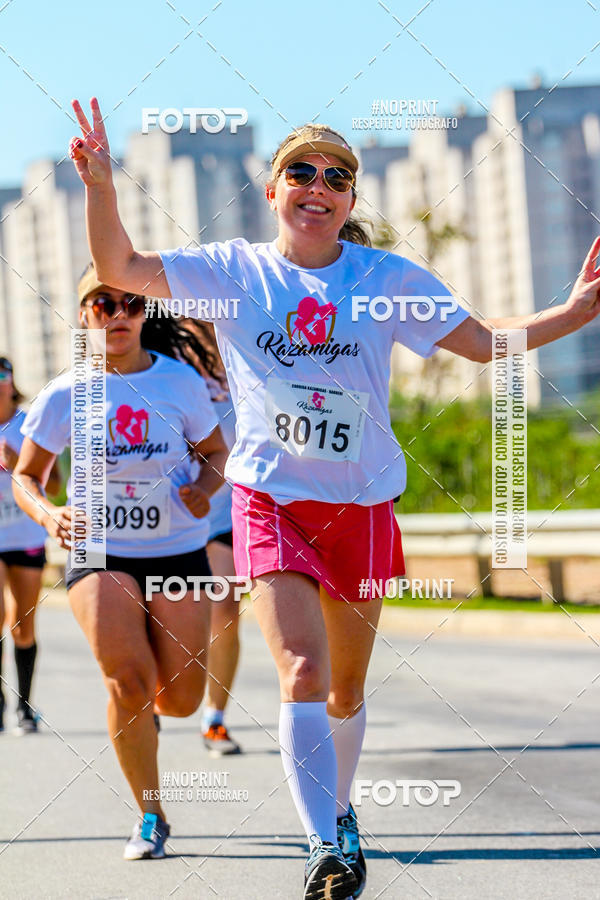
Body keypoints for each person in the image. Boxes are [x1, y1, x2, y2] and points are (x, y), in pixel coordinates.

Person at [68, 97, 600, 899]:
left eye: (338, 177)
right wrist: (101, 187)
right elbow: (123, 269)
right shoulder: (234, 271)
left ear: (351, 200)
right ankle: (325, 847)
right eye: (302, 172)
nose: (319, 185)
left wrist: (576, 310)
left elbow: (487, 342)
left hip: (362, 503)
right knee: (303, 670)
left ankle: (341, 812)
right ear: (274, 187)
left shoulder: (385, 278)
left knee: (346, 689)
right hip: (270, 499)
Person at [12, 267, 228, 860]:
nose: (117, 313)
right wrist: (48, 514)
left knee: (179, 701)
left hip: (177, 548)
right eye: (102, 302)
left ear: (142, 313)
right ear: (84, 315)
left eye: (129, 303)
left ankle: (147, 714)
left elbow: (215, 454)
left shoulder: (179, 383)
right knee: (126, 683)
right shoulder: (66, 393)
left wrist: (204, 490)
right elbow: (26, 476)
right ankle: (150, 815)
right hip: (97, 549)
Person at [180, 320, 243, 757]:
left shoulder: (248, 369)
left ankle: (214, 717)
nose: (202, 331)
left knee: (225, 608)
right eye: (192, 323)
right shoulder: (171, 376)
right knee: (175, 617)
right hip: (173, 518)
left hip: (230, 516)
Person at [0, 357, 61, 735]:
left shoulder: (29, 425)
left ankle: (24, 705)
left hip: (25, 538)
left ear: (12, 381)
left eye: (2, 374)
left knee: (23, 625)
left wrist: (17, 463)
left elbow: (54, 487)